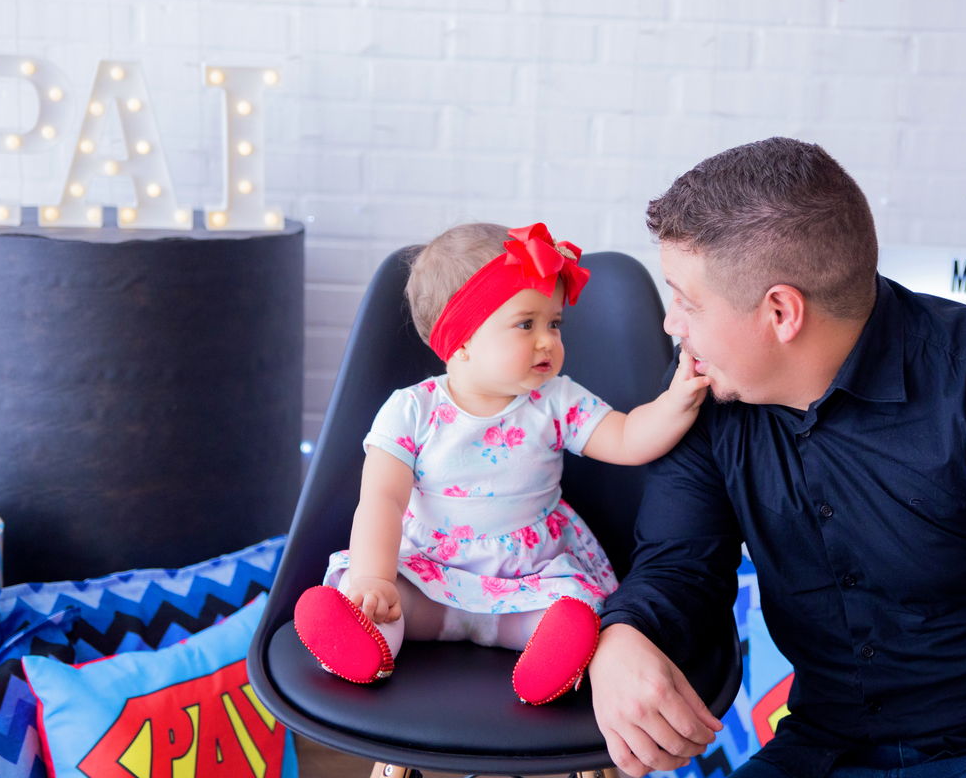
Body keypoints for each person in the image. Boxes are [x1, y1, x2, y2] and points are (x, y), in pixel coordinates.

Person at [590, 138, 966, 778]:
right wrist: (622, 635)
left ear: (781, 312)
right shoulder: (707, 392)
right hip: (822, 750)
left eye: (686, 300)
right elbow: (681, 568)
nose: (671, 324)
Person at [293, 221, 710, 705]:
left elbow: (627, 438)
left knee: (574, 607)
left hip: (526, 574)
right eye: (525, 324)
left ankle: (550, 653)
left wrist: (677, 402)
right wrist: (373, 577)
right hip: (429, 570)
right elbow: (382, 502)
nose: (547, 341)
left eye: (554, 323)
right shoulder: (413, 409)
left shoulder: (554, 401)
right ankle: (367, 644)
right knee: (377, 600)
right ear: (462, 339)